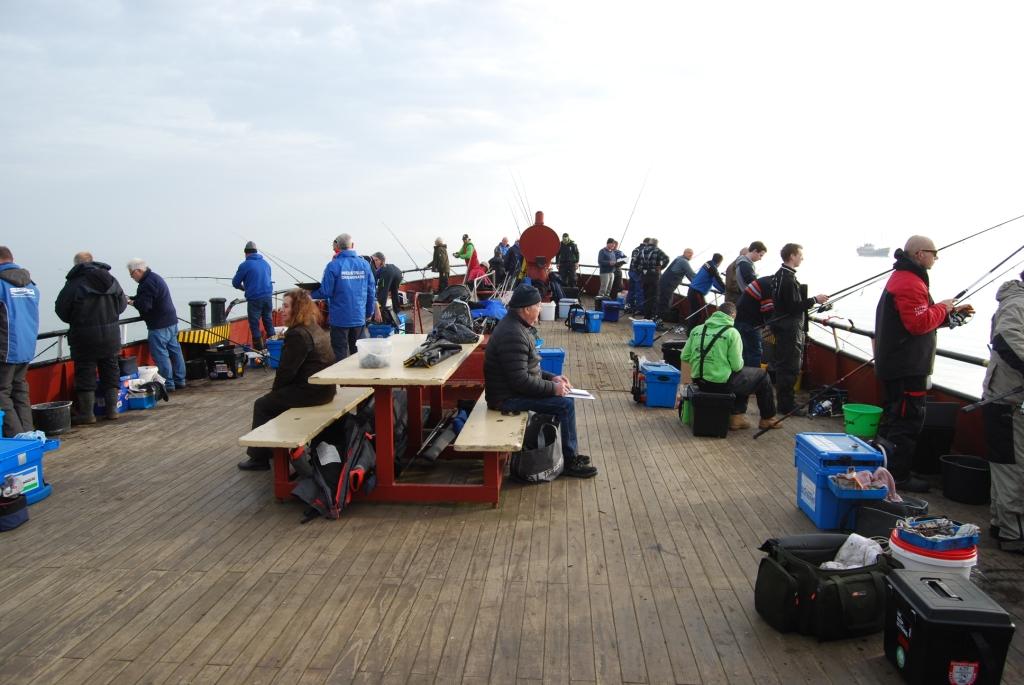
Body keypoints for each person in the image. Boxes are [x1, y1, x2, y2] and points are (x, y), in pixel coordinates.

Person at [875, 236, 971, 493]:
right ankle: (898, 476)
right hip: (907, 367)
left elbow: (918, 319)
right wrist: (942, 307)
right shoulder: (910, 282)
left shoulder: (905, 278)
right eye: (933, 253)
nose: (936, 257)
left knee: (894, 418)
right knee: (907, 421)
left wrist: (949, 314)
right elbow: (917, 324)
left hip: (898, 365)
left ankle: (885, 468)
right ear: (919, 254)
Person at [484, 284, 597, 478]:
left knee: (565, 399)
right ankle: (570, 462)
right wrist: (553, 389)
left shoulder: (516, 326)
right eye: (538, 305)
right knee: (565, 405)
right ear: (526, 309)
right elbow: (520, 381)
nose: (540, 309)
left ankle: (567, 453)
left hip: (510, 392)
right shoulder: (513, 334)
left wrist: (552, 378)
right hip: (505, 399)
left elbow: (526, 369)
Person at [237, 289, 337, 470]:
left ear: (297, 309)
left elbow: (286, 372)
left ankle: (259, 458)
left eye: (285, 306)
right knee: (275, 400)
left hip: (313, 392)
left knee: (263, 405)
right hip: (326, 389)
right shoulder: (313, 326)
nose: (281, 310)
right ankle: (272, 449)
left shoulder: (297, 334)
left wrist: (275, 393)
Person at [55, 252, 128, 423]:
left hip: (84, 337)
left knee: (85, 374)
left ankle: (87, 414)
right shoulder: (111, 280)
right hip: (111, 336)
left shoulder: (74, 283)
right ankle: (112, 410)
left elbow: (62, 310)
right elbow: (122, 305)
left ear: (76, 265)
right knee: (111, 372)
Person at [682, 302, 779, 431]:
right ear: (733, 315)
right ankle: (767, 419)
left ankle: (737, 417)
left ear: (716, 312)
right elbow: (737, 366)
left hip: (699, 381)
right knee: (761, 376)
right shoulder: (732, 333)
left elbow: (684, 356)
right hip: (719, 384)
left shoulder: (697, 330)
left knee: (743, 376)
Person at [981, 270, 1024, 552]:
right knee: (1013, 469)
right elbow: (1006, 338)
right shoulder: (1019, 304)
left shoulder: (1014, 301)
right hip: (1008, 402)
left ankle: (1001, 524)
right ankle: (1013, 534)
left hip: (1002, 399)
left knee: (1004, 466)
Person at [770, 243, 829, 418]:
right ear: (792, 256)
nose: (802, 258)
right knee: (790, 367)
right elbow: (793, 307)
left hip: (782, 326)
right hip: (789, 329)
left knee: (783, 365)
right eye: (800, 255)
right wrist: (814, 300)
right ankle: (787, 405)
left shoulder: (779, 275)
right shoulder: (788, 279)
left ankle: (784, 402)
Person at [312, 234, 380, 361]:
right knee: (359, 354)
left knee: (340, 354)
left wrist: (309, 294)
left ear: (336, 248)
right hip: (359, 318)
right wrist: (369, 312)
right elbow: (371, 291)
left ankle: (341, 373)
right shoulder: (365, 264)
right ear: (352, 245)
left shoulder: (332, 266)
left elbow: (325, 292)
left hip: (339, 319)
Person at [126, 259, 187, 392]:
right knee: (175, 352)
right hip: (171, 321)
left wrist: (130, 302)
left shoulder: (146, 283)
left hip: (159, 325)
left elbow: (145, 305)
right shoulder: (154, 278)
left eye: (131, 274)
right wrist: (132, 298)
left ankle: (168, 383)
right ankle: (180, 380)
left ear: (138, 271)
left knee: (161, 355)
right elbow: (145, 298)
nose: (131, 277)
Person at [0, 247, 40, 437]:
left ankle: (17, 437)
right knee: (20, 391)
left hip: (5, 348)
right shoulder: (31, 286)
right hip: (26, 347)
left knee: (2, 393)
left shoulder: (1, 284)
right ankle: (28, 433)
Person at [231, 241, 274, 351]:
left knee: (254, 325)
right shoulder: (266, 264)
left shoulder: (245, 265)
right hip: (268, 297)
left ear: (246, 253)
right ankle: (274, 347)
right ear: (256, 252)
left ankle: (259, 350)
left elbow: (235, 283)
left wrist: (244, 288)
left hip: (255, 299)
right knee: (268, 322)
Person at [684, 253, 725, 328]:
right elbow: (717, 282)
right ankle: (691, 331)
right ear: (719, 262)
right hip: (697, 292)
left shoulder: (707, 263)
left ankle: (690, 330)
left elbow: (714, 279)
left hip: (692, 289)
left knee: (694, 312)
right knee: (700, 314)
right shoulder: (713, 268)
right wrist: (725, 290)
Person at [657, 248, 697, 322]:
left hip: (665, 283)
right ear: (684, 253)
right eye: (689, 253)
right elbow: (691, 274)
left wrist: (693, 281)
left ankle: (659, 319)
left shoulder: (679, 258)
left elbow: (688, 275)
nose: (690, 255)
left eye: (691, 254)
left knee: (664, 301)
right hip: (668, 284)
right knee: (665, 303)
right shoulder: (683, 261)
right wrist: (699, 281)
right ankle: (660, 321)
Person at [639, 238, 669, 319]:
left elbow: (635, 262)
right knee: (653, 297)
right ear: (656, 244)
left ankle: (646, 315)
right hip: (654, 276)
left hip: (644, 276)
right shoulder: (657, 250)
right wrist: (661, 267)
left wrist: (640, 270)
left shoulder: (642, 250)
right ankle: (651, 316)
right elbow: (666, 259)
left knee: (646, 296)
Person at [370, 252, 404, 317]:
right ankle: (397, 311)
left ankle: (379, 314)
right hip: (398, 273)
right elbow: (375, 280)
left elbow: (376, 285)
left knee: (382, 293)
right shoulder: (383, 268)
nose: (375, 262)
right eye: (373, 260)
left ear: (381, 260)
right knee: (395, 293)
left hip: (390, 274)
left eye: (376, 260)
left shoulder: (383, 270)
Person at [625, 238, 650, 313]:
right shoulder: (644, 250)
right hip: (638, 273)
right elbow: (642, 263)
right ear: (648, 243)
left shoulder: (636, 249)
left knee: (631, 290)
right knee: (639, 291)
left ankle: (629, 306)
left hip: (631, 272)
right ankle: (640, 309)